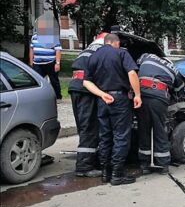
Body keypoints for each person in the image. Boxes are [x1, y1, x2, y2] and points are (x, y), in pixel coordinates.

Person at [83, 34, 141, 186]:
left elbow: (86, 82)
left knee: (105, 136)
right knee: (121, 136)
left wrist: (102, 95)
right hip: (120, 99)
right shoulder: (121, 52)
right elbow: (132, 73)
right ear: (116, 43)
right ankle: (117, 174)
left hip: (102, 100)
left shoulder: (93, 56)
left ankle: (105, 173)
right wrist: (138, 95)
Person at [136, 53, 184, 174]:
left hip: (141, 94)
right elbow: (179, 91)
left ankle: (144, 164)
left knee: (143, 129)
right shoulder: (174, 69)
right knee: (160, 130)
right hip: (159, 97)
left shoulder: (145, 56)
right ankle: (163, 165)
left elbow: (134, 69)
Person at [69, 38, 105, 177]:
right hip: (86, 90)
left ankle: (89, 160)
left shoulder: (87, 50)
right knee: (89, 127)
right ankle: (84, 167)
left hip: (75, 87)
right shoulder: (102, 52)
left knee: (83, 126)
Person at [29, 34, 63, 100]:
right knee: (36, 80)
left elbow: (58, 50)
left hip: (50, 62)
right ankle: (37, 97)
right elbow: (31, 49)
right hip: (37, 63)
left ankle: (58, 97)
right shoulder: (34, 37)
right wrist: (31, 62)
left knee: (54, 81)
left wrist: (57, 63)